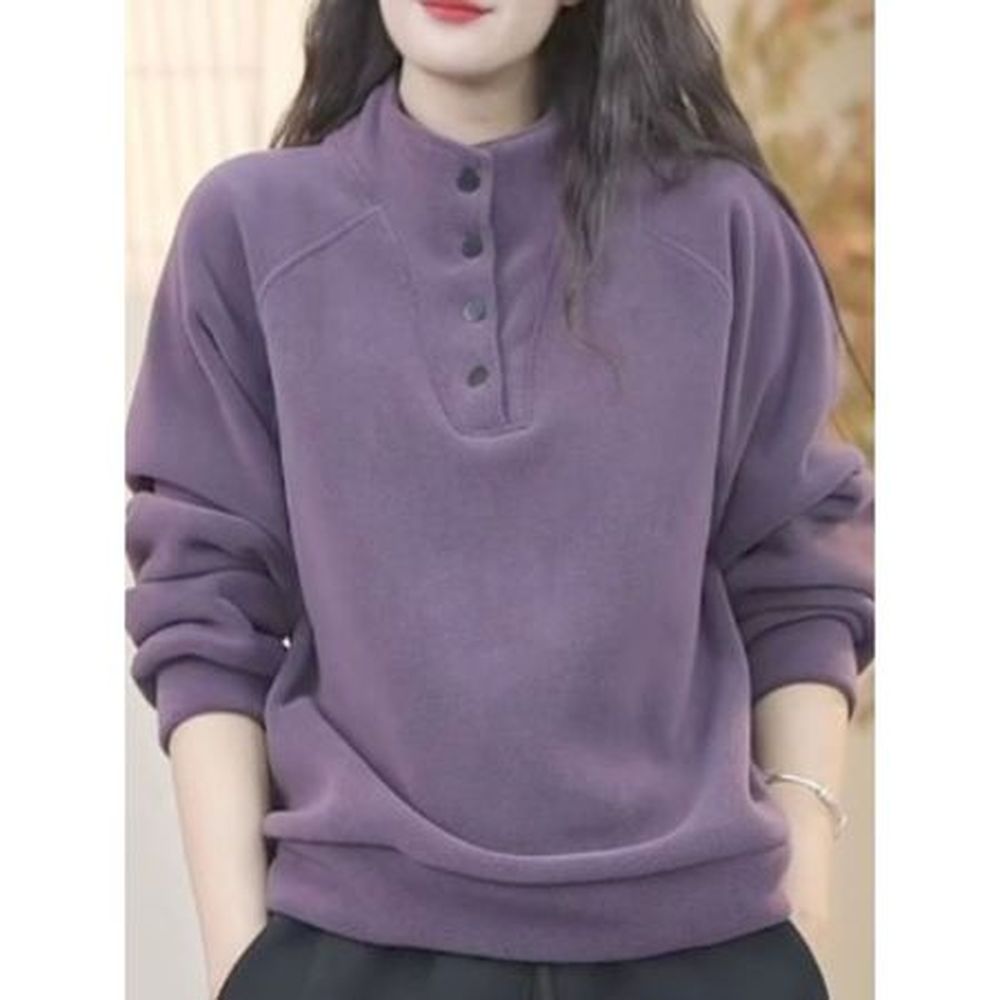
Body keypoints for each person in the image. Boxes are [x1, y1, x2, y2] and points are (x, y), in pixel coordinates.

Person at [124, 1, 875, 998]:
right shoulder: (250, 230)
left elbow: (799, 574)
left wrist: (807, 905)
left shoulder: (725, 229)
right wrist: (240, 960)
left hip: (701, 947)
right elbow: (204, 605)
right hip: (351, 947)